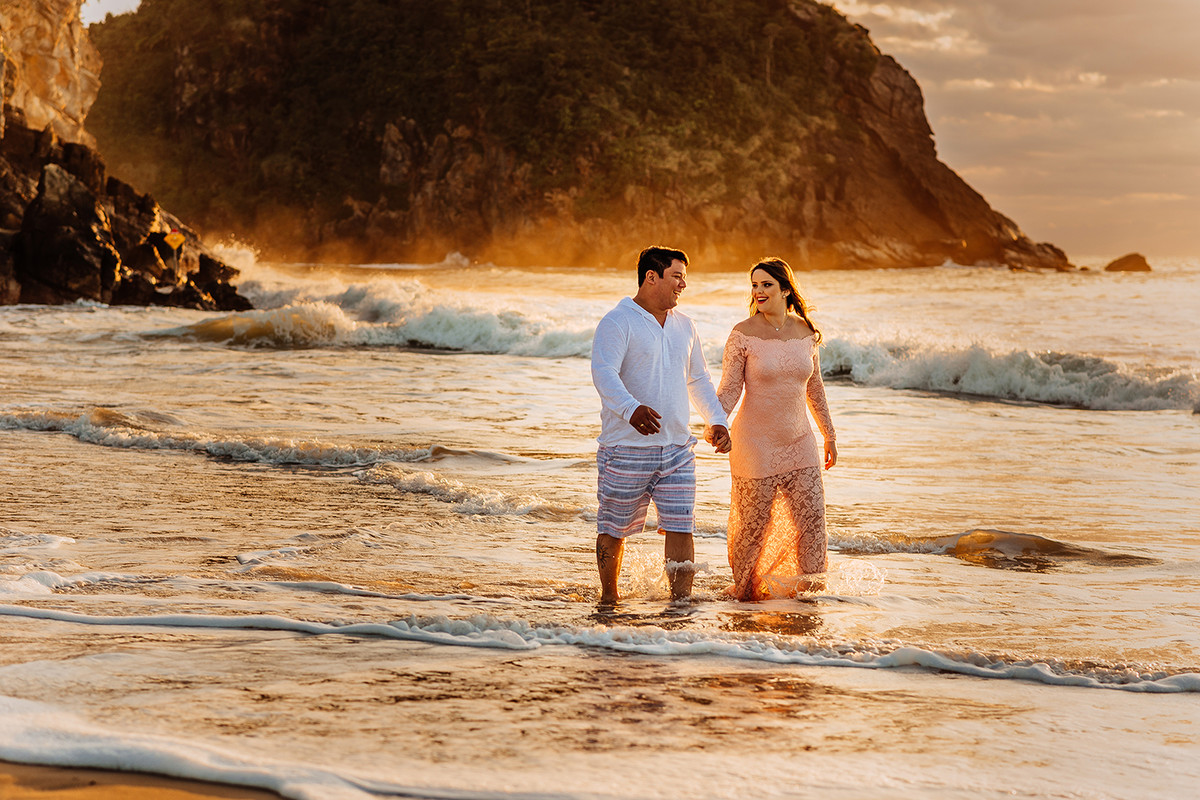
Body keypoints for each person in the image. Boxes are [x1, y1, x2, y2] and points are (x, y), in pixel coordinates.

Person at [591, 246, 732, 605]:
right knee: (612, 528)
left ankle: (680, 603)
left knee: (682, 526)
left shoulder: (686, 325)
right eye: (677, 276)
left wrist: (716, 420)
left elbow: (697, 379)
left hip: (677, 450)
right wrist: (630, 409)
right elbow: (603, 372)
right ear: (651, 277)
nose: (683, 285)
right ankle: (609, 598)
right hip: (625, 449)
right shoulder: (617, 321)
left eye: (685, 277)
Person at [710, 257, 837, 601]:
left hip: (800, 440)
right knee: (753, 528)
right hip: (756, 443)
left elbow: (815, 388)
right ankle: (745, 597)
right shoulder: (743, 333)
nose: (759, 291)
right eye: (754, 285)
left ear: (784, 289)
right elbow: (730, 388)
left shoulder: (806, 331)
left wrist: (829, 435)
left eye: (766, 284)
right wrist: (716, 422)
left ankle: (810, 597)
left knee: (811, 523)